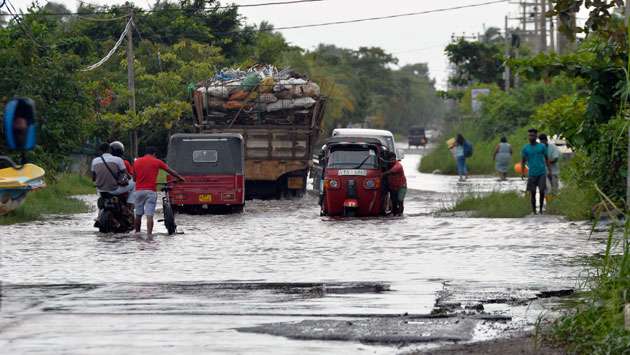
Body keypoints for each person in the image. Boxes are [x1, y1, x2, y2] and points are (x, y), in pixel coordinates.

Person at [133, 146, 185, 235]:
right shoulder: (157, 161)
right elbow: (170, 171)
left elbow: (134, 178)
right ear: (154, 154)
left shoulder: (136, 162)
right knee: (149, 215)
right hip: (151, 191)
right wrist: (180, 178)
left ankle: (137, 233)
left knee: (138, 215)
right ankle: (149, 235)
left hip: (138, 192)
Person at [521, 128, 551, 215]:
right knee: (533, 192)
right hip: (532, 174)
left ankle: (541, 209)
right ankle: (534, 211)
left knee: (542, 191)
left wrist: (549, 170)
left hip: (541, 172)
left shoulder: (542, 147)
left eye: (533, 135)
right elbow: (523, 161)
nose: (531, 137)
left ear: (536, 136)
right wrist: (523, 172)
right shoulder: (525, 148)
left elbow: (546, 158)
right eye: (529, 135)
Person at [382, 151, 407, 216]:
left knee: (400, 201)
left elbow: (390, 172)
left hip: (401, 186)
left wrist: (381, 175)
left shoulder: (398, 166)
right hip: (393, 187)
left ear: (395, 159)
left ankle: (400, 214)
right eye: (390, 159)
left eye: (393, 159)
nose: (392, 161)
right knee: (394, 202)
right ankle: (394, 214)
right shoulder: (387, 165)